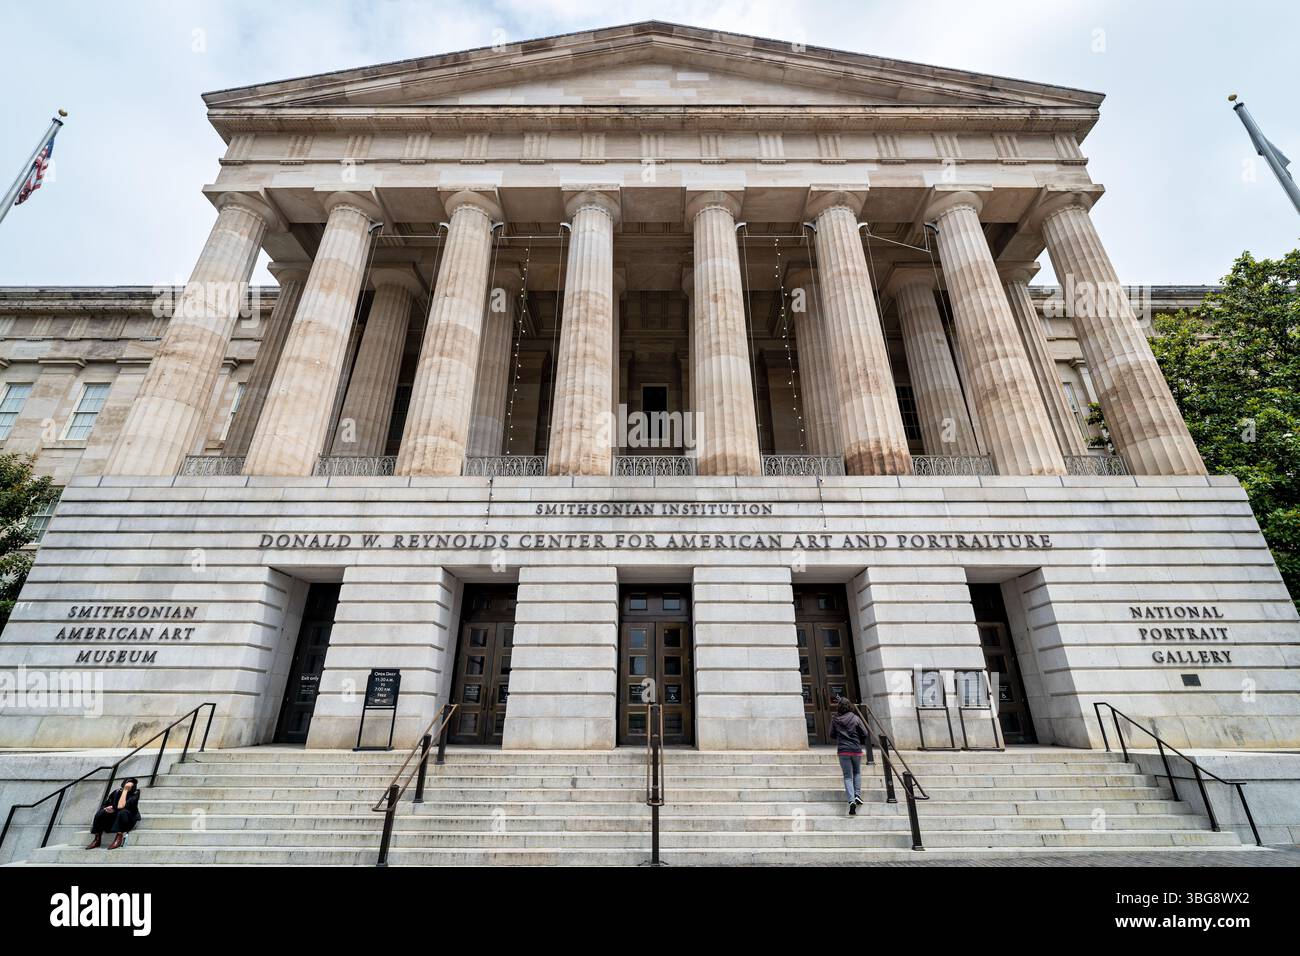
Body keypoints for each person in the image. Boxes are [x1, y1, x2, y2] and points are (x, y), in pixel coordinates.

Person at [828, 698, 869, 815]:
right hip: (856, 749)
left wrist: (841, 736)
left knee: (847, 776)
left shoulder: (835, 719)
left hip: (843, 750)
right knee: (857, 772)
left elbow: (831, 734)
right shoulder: (856, 718)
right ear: (850, 706)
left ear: (839, 707)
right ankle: (857, 795)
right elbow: (865, 733)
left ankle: (851, 801)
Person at [87, 777, 141, 850]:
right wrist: (107, 808)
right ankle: (97, 839)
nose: (128, 786)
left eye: (130, 785)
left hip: (128, 819)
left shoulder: (135, 794)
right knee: (101, 813)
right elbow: (105, 804)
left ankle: (119, 837)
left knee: (122, 813)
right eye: (126, 785)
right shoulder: (117, 791)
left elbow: (122, 807)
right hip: (115, 817)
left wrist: (125, 791)